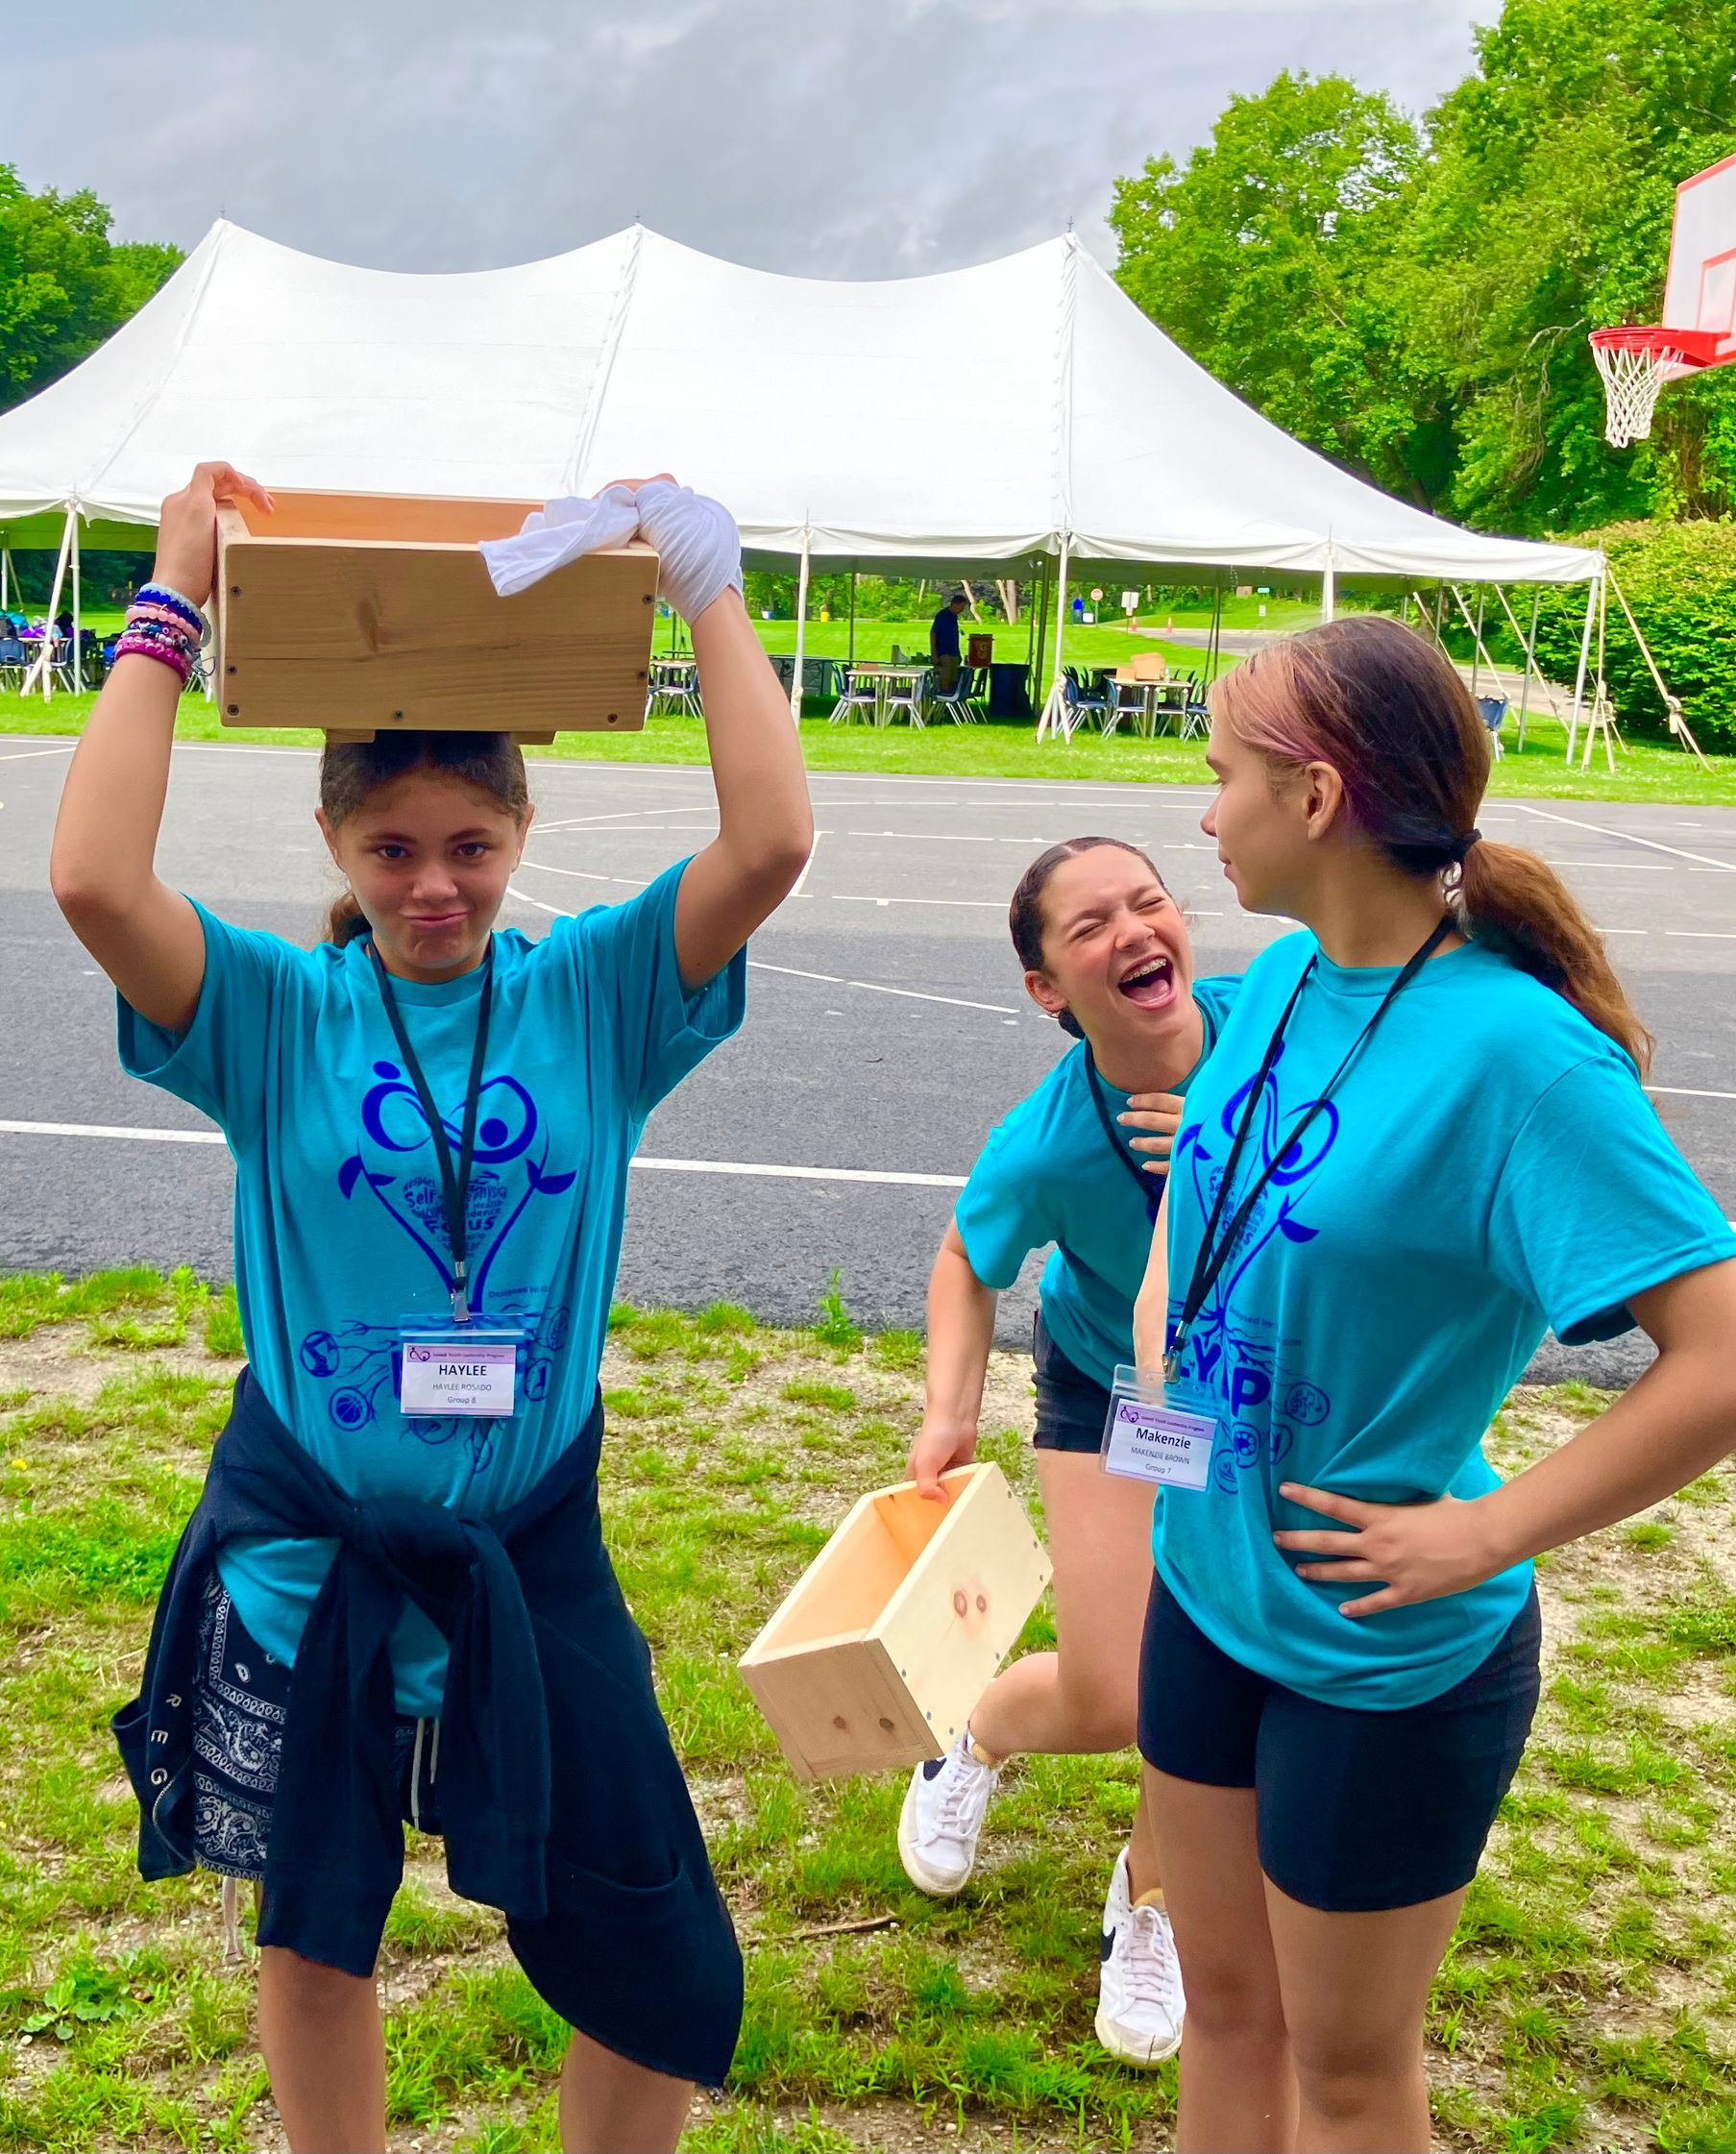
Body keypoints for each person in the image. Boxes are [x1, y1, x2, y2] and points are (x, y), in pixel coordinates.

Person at [51, 460, 815, 2154]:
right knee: (318, 1920)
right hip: (313, 1553)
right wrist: (170, 602)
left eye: (472, 845)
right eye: (390, 848)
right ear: (332, 837)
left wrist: (709, 590)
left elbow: (769, 841)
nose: (434, 886)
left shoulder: (599, 994)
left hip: (530, 1548)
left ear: (523, 834)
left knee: (651, 1947)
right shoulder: (271, 1011)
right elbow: (101, 885)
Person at [1132, 616, 1736, 2154]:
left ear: (1315, 800)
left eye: (1220, 772)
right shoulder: (1288, 976)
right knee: (1230, 2015)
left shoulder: (1522, 1058)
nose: (1202, 808)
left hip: (1383, 1651)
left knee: (1350, 2077)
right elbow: (1207, 1168)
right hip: (1206, 1585)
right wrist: (1167, 1327)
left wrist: (1480, 1538)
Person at [900, 836, 1239, 2066]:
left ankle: (1151, 1902)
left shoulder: (1279, 1025)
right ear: (1048, 987)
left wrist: (1223, 1128)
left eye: (1149, 901)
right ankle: (975, 1734)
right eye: (1089, 926)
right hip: (1113, 1392)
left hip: (1260, 1392)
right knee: (1119, 1690)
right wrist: (951, 1404)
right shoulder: (1047, 1143)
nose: (1134, 930)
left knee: (1209, 1678)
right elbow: (963, 1260)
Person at [930, 589, 969, 692]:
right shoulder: (942, 616)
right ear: (955, 604)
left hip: (954, 653)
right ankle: (943, 698)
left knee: (954, 680)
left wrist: (958, 654)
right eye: (962, 607)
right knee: (945, 679)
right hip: (944, 654)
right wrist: (934, 653)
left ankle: (950, 698)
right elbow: (933, 633)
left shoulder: (954, 617)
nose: (962, 610)